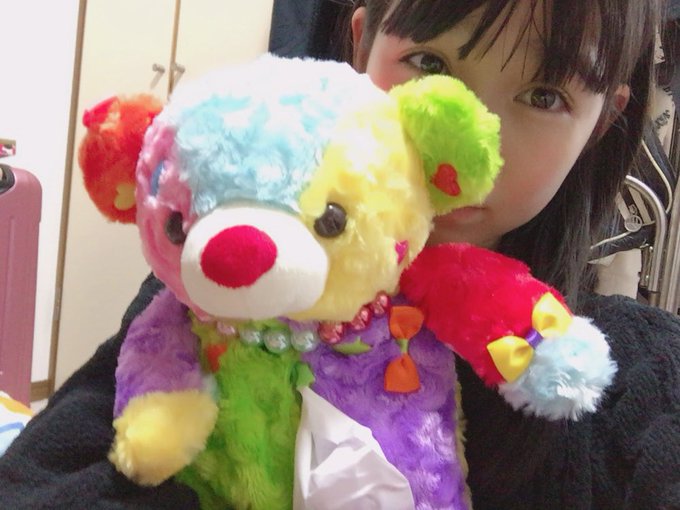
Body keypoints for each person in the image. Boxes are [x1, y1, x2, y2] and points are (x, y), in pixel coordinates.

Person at [1, 1, 679, 508]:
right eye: (430, 64)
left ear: (602, 122)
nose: (476, 134)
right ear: (360, 47)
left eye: (543, 95)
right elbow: (41, 476)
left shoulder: (637, 376)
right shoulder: (217, 297)